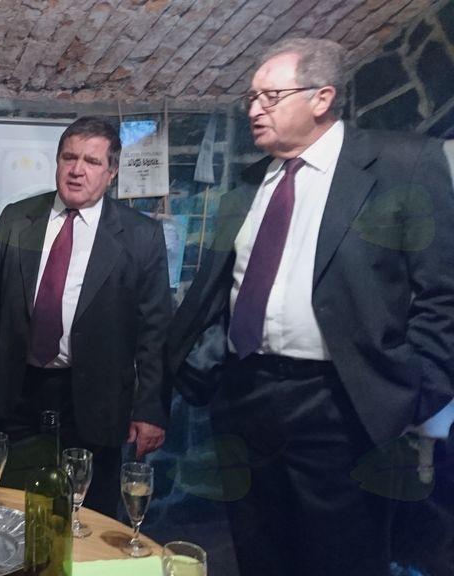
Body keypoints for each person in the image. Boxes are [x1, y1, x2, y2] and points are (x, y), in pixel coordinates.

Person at [166, 38, 454, 576]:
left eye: (270, 96)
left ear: (322, 98)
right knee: (259, 552)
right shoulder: (250, 184)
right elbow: (221, 292)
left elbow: (444, 293)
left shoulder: (404, 163)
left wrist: (411, 396)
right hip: (245, 397)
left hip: (343, 405)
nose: (254, 109)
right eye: (251, 98)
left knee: (341, 559)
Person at [0, 116, 173, 517]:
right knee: (13, 505)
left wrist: (149, 410)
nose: (77, 170)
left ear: (111, 173)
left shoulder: (140, 236)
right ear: (58, 161)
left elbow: (155, 330)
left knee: (90, 513)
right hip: (20, 389)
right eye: (69, 157)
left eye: (92, 162)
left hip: (96, 397)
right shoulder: (17, 218)